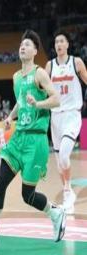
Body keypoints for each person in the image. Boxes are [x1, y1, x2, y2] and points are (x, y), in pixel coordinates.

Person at [0, 30, 66, 252]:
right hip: (18, 139)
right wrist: (10, 117)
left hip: (36, 141)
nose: (22, 47)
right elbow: (21, 101)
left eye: (27, 45)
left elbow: (56, 99)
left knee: (27, 195)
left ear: (35, 51)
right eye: (21, 44)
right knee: (0, 182)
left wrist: (38, 104)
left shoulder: (40, 74)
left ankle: (55, 212)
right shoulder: (16, 77)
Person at [45, 31, 87, 214]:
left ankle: (68, 192)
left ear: (68, 44)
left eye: (62, 41)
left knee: (64, 156)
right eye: (56, 42)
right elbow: (42, 89)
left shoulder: (76, 62)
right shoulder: (49, 66)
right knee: (59, 163)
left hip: (71, 115)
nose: (59, 44)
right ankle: (67, 194)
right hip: (55, 117)